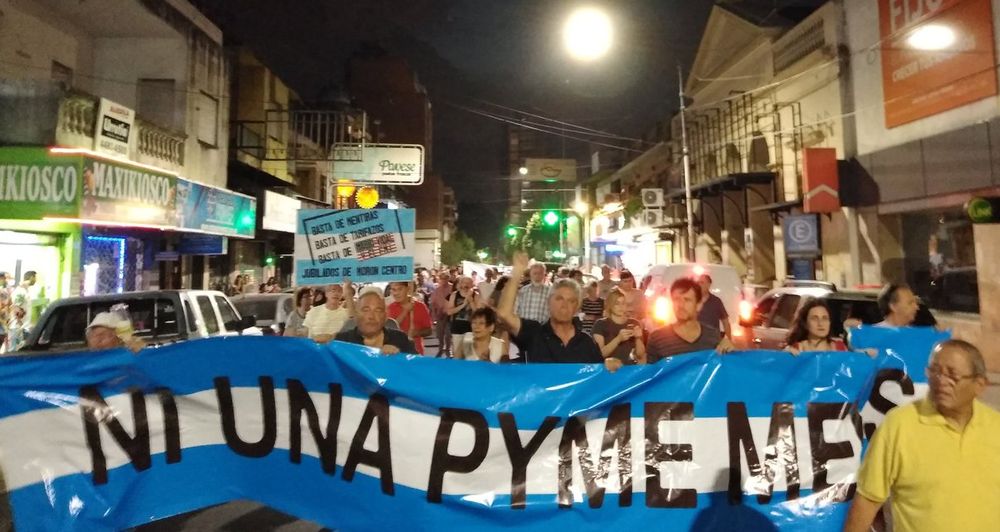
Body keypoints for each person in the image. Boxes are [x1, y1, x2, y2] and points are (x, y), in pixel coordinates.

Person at [844, 340, 1000, 532]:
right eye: (935, 371)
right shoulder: (899, 425)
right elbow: (867, 501)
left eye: (952, 375)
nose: (941, 381)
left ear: (979, 385)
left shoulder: (995, 427)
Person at [498, 252, 619, 370]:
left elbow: (599, 374)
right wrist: (517, 272)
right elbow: (504, 313)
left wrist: (610, 366)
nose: (564, 305)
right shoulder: (534, 333)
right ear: (549, 302)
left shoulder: (587, 342)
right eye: (559, 299)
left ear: (577, 307)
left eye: (571, 301)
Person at [647, 277, 733, 363]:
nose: (680, 305)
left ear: (699, 305)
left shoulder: (713, 336)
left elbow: (722, 367)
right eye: (676, 299)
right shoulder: (657, 339)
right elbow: (651, 370)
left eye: (687, 300)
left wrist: (730, 350)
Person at [335, 291, 416, 355]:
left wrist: (398, 357)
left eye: (378, 310)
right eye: (365, 310)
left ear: (385, 316)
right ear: (356, 315)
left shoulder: (400, 340)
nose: (371, 316)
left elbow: (416, 367)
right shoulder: (341, 341)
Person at [592, 288, 646, 365]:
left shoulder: (634, 323)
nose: (621, 307)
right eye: (617, 303)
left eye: (623, 303)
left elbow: (640, 355)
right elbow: (600, 354)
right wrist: (618, 339)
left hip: (630, 368)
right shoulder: (600, 324)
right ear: (610, 305)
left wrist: (638, 338)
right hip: (609, 369)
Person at [783, 299, 847, 354]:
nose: (820, 323)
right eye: (814, 318)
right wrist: (785, 356)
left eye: (825, 318)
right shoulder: (796, 349)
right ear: (805, 324)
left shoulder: (840, 348)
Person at [387, 281, 433, 355]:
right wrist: (405, 311)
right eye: (393, 289)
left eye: (400, 289)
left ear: (408, 289)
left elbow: (429, 331)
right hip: (396, 353)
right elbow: (390, 328)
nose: (396, 293)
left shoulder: (420, 306)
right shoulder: (390, 308)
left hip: (416, 352)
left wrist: (417, 333)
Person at [447, 276, 480, 351]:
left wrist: (471, 301)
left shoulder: (476, 295)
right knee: (457, 352)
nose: (466, 285)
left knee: (469, 353)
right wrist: (463, 305)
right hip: (457, 328)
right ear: (461, 284)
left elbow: (478, 314)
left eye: (468, 283)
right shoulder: (454, 295)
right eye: (464, 282)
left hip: (471, 329)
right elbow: (449, 312)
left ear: (472, 285)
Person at [696, 274, 732, 339]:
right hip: (696, 339)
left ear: (708, 285)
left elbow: (725, 322)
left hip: (713, 340)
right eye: (698, 282)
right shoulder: (692, 301)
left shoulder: (716, 301)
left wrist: (729, 340)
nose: (699, 285)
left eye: (702, 283)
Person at [430, 271, 453, 357]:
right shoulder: (437, 290)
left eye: (445, 278)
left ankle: (448, 349)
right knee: (440, 334)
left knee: (448, 333)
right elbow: (432, 303)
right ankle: (440, 348)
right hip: (440, 315)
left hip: (449, 314)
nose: (443, 280)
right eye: (442, 278)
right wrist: (434, 315)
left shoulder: (452, 288)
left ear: (448, 278)